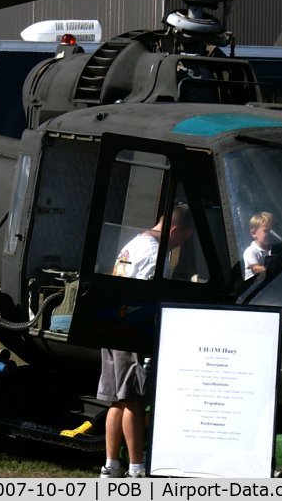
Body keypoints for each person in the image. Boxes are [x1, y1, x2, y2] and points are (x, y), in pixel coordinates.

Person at [100, 202, 193, 478]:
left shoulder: (134, 243)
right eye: (180, 240)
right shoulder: (155, 253)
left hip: (111, 327)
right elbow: (152, 299)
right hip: (132, 332)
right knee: (133, 400)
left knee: (116, 400)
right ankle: (137, 467)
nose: (178, 247)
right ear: (174, 230)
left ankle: (111, 464)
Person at [241, 211, 282, 279]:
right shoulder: (250, 251)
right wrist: (272, 269)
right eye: (266, 231)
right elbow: (255, 268)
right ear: (254, 233)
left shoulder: (274, 248)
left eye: (272, 231)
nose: (271, 234)